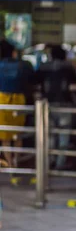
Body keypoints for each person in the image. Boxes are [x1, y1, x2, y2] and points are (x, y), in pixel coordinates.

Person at [0, 39, 34, 170]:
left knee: (5, 136)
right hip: (19, 99)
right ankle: (16, 159)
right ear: (13, 52)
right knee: (18, 134)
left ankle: (9, 162)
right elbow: (32, 80)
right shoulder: (24, 65)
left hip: (2, 100)